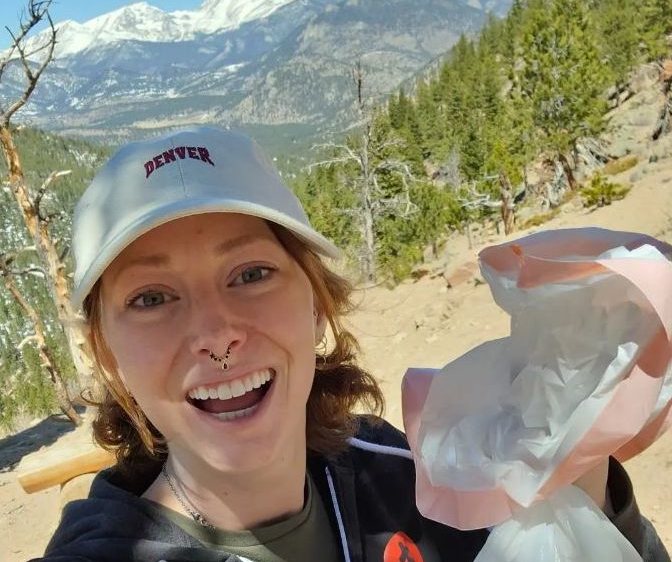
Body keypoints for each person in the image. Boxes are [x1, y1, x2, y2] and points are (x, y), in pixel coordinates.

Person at [34, 126, 670, 562]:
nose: (216, 334)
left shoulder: (400, 475)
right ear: (107, 351)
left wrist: (580, 486)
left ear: (317, 305)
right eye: (151, 298)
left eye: (251, 274)